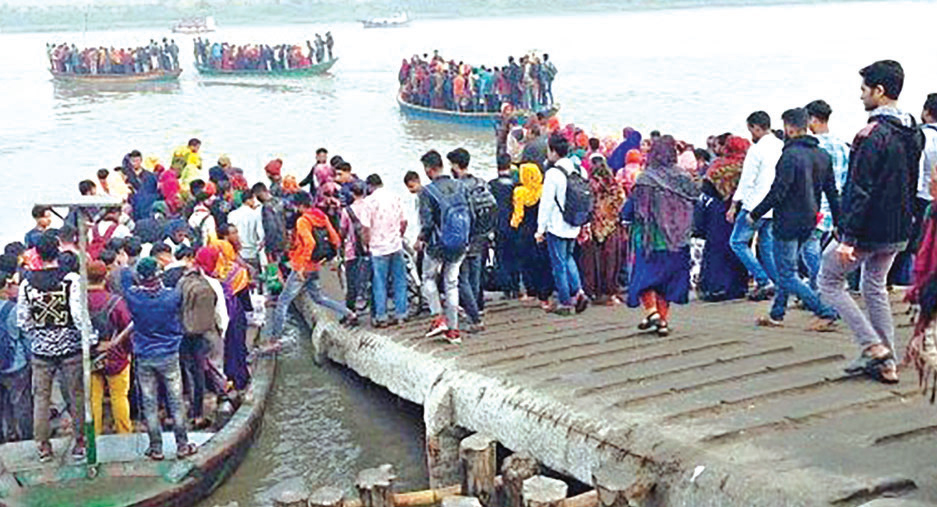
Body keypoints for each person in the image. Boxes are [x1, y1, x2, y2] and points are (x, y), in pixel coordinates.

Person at [819, 60, 924, 384]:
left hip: (867, 229)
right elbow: (912, 181)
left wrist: (848, 236)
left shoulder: (871, 134)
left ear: (879, 91)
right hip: (898, 226)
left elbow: (859, 188)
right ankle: (887, 362)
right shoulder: (913, 131)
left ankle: (874, 347)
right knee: (874, 285)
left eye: (864, 89)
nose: (860, 96)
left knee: (828, 280)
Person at [748, 108, 841, 328]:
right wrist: (839, 222)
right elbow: (832, 193)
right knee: (785, 269)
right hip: (811, 220)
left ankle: (824, 310)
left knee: (788, 274)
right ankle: (777, 313)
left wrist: (755, 213)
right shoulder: (822, 155)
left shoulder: (789, 156)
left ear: (789, 127)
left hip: (788, 221)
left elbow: (778, 192)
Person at [18, 232, 91, 462]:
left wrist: (40, 333)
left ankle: (43, 446)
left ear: (37, 254)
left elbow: (23, 320)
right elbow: (79, 316)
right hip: (70, 347)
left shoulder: (27, 283)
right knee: (76, 394)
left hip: (41, 350)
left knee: (41, 397)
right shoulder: (70, 279)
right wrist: (89, 337)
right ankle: (80, 441)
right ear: (58, 251)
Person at [120, 257, 198, 460]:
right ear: (158, 276)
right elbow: (180, 288)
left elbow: (124, 275)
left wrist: (127, 263)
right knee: (176, 401)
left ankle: (156, 447)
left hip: (144, 355)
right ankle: (182, 444)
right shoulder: (171, 296)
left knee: (149, 402)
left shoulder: (133, 297)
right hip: (169, 354)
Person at [623, 136, 699, 336]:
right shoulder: (683, 178)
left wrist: (625, 217)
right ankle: (662, 320)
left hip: (650, 236)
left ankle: (652, 312)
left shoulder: (646, 178)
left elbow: (631, 208)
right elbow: (695, 200)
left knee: (644, 276)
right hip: (678, 238)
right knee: (667, 281)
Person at [270, 191, 358, 339]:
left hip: (303, 268)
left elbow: (310, 242)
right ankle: (349, 313)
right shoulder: (321, 216)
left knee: (283, 302)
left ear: (300, 206)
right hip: (316, 265)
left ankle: (275, 338)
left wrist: (302, 266)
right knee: (318, 298)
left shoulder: (303, 221)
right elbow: (335, 239)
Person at [728, 111, 784, 300]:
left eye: (750, 129)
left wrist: (734, 204)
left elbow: (747, 181)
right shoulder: (781, 146)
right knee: (766, 247)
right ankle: (777, 284)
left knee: (737, 242)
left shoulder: (756, 150)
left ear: (756, 128)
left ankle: (762, 279)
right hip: (774, 206)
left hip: (754, 205)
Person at [418, 150, 470, 343]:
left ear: (429, 169)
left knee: (428, 278)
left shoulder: (427, 191)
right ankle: (454, 331)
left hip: (438, 245)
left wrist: (421, 239)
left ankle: (438, 317)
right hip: (460, 243)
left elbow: (428, 223)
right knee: (451, 284)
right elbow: (470, 212)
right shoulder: (460, 185)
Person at [536, 134, 589, 315]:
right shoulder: (580, 170)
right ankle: (579, 292)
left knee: (558, 264)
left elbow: (546, 203)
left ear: (553, 151)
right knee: (569, 258)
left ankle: (565, 303)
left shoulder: (553, 174)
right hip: (574, 223)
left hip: (557, 225)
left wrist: (540, 229)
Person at [697, 136, 751, 301]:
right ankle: (739, 286)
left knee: (717, 248)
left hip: (719, 211)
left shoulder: (717, 166)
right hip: (742, 209)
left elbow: (706, 188)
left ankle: (716, 286)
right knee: (738, 247)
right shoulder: (747, 166)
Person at [180, 247, 228, 428]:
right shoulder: (212, 283)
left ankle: (195, 409)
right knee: (214, 364)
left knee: (193, 370)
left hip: (187, 330)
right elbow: (221, 314)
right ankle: (221, 393)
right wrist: (222, 331)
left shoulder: (185, 280)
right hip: (208, 329)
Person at [806, 99, 851, 289]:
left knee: (810, 247)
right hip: (837, 203)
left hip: (817, 204)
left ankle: (819, 285)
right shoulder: (842, 146)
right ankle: (834, 282)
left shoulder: (812, 146)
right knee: (829, 248)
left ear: (813, 119)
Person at [87, 260, 133, 435]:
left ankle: (94, 437)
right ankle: (124, 434)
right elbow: (127, 328)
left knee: (93, 400)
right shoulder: (115, 302)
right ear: (105, 277)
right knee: (119, 397)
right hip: (115, 355)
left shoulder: (79, 301)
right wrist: (127, 351)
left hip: (89, 355)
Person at [448, 148, 489, 331]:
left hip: (465, 236)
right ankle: (477, 308)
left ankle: (474, 318)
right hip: (481, 235)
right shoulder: (481, 182)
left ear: (456, 165)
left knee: (462, 278)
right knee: (475, 274)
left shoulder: (458, 187)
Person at [360, 174, 409, 327]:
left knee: (379, 282)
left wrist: (366, 244)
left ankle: (382, 317)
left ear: (369, 186)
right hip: (395, 245)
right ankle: (401, 313)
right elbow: (404, 221)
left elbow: (365, 228)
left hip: (378, 248)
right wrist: (398, 236)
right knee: (400, 280)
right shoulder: (395, 197)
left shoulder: (368, 202)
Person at [578, 154, 625, 304]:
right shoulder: (615, 187)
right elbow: (621, 205)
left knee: (592, 263)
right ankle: (609, 292)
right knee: (610, 262)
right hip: (612, 228)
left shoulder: (588, 186)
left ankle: (594, 292)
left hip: (594, 228)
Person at [0, 270, 32, 443]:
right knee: (21, 403)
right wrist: (31, 359)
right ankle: (27, 438)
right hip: (15, 364)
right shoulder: (13, 310)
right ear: (5, 286)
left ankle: (6, 435)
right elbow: (25, 337)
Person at [489, 154, 519, 299]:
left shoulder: (492, 185)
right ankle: (516, 285)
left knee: (501, 256)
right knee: (515, 255)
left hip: (499, 226)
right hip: (514, 225)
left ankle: (506, 288)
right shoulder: (516, 185)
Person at [340, 181, 370, 316]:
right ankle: (374, 310)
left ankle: (350, 312)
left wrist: (339, 245)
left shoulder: (347, 211)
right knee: (372, 280)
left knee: (351, 282)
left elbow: (343, 231)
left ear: (352, 194)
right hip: (371, 249)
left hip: (353, 251)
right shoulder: (370, 207)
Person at [227, 187, 266, 275]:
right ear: (249, 200)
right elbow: (260, 235)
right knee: (255, 279)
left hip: (238, 253)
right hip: (252, 252)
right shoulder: (256, 215)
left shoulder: (232, 215)